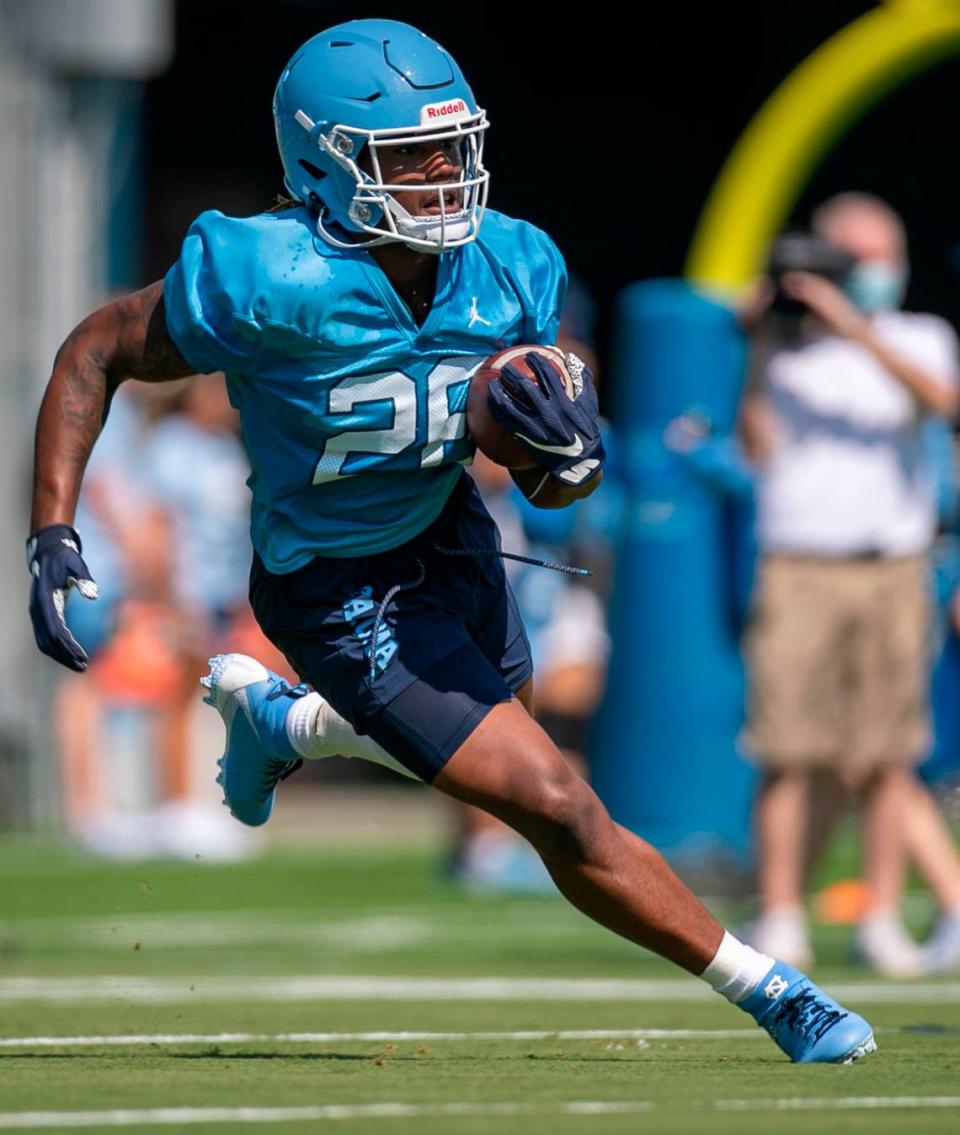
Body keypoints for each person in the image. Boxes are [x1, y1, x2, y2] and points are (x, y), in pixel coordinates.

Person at [26, 18, 873, 1064]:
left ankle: (287, 725)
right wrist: (51, 528)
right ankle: (776, 992)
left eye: (453, 146)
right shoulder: (262, 272)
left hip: (454, 538)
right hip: (331, 581)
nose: (442, 175)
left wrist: (562, 444)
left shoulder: (512, 262)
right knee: (553, 799)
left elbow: (554, 477)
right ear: (320, 165)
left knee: (484, 760)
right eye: (407, 157)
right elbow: (94, 351)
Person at [740, 192, 960, 976]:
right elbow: (756, 442)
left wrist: (853, 323)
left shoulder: (921, 335)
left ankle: (881, 914)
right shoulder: (789, 350)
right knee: (786, 749)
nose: (865, 273)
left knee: (888, 754)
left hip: (892, 564)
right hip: (799, 560)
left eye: (875, 256)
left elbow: (940, 402)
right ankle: (781, 913)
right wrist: (764, 341)